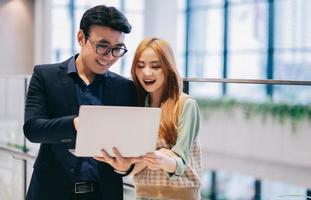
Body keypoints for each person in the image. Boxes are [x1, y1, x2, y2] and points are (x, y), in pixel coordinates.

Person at [23, 5, 139, 200]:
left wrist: (125, 167)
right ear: (80, 38)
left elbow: (131, 146)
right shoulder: (45, 75)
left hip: (103, 194)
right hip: (51, 191)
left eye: (117, 49)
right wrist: (74, 124)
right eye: (102, 46)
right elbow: (33, 129)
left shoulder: (125, 88)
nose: (110, 57)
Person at [131, 38, 202, 199]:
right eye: (140, 65)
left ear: (168, 68)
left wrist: (161, 159)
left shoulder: (185, 105)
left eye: (155, 66)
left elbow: (180, 163)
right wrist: (158, 155)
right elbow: (130, 166)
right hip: (143, 195)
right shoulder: (138, 106)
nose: (146, 72)